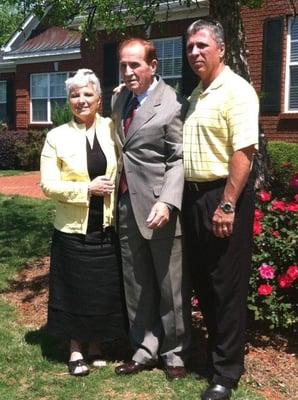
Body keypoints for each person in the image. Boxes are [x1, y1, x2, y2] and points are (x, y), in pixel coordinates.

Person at [182, 19, 259, 400]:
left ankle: (226, 374)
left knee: (225, 288)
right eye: (190, 47)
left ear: (221, 48)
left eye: (201, 45)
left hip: (222, 197)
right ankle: (215, 358)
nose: (194, 52)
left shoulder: (237, 92)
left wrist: (227, 204)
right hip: (193, 198)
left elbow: (243, 151)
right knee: (204, 283)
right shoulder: (197, 94)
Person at [111, 38, 191, 381]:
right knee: (137, 283)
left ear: (153, 66)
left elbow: (178, 158)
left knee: (169, 286)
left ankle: (175, 354)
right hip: (127, 205)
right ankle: (144, 349)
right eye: (124, 66)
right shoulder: (119, 99)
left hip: (160, 209)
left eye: (135, 65)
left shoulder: (172, 103)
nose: (129, 72)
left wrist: (168, 201)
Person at [40, 68, 127, 377]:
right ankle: (76, 348)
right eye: (75, 95)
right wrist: (85, 190)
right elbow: (48, 185)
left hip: (105, 226)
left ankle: (97, 346)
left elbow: (131, 108)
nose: (81, 100)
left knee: (101, 288)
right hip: (72, 230)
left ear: (99, 99)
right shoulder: (56, 136)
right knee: (75, 289)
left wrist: (125, 91)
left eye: (88, 93)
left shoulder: (110, 127)